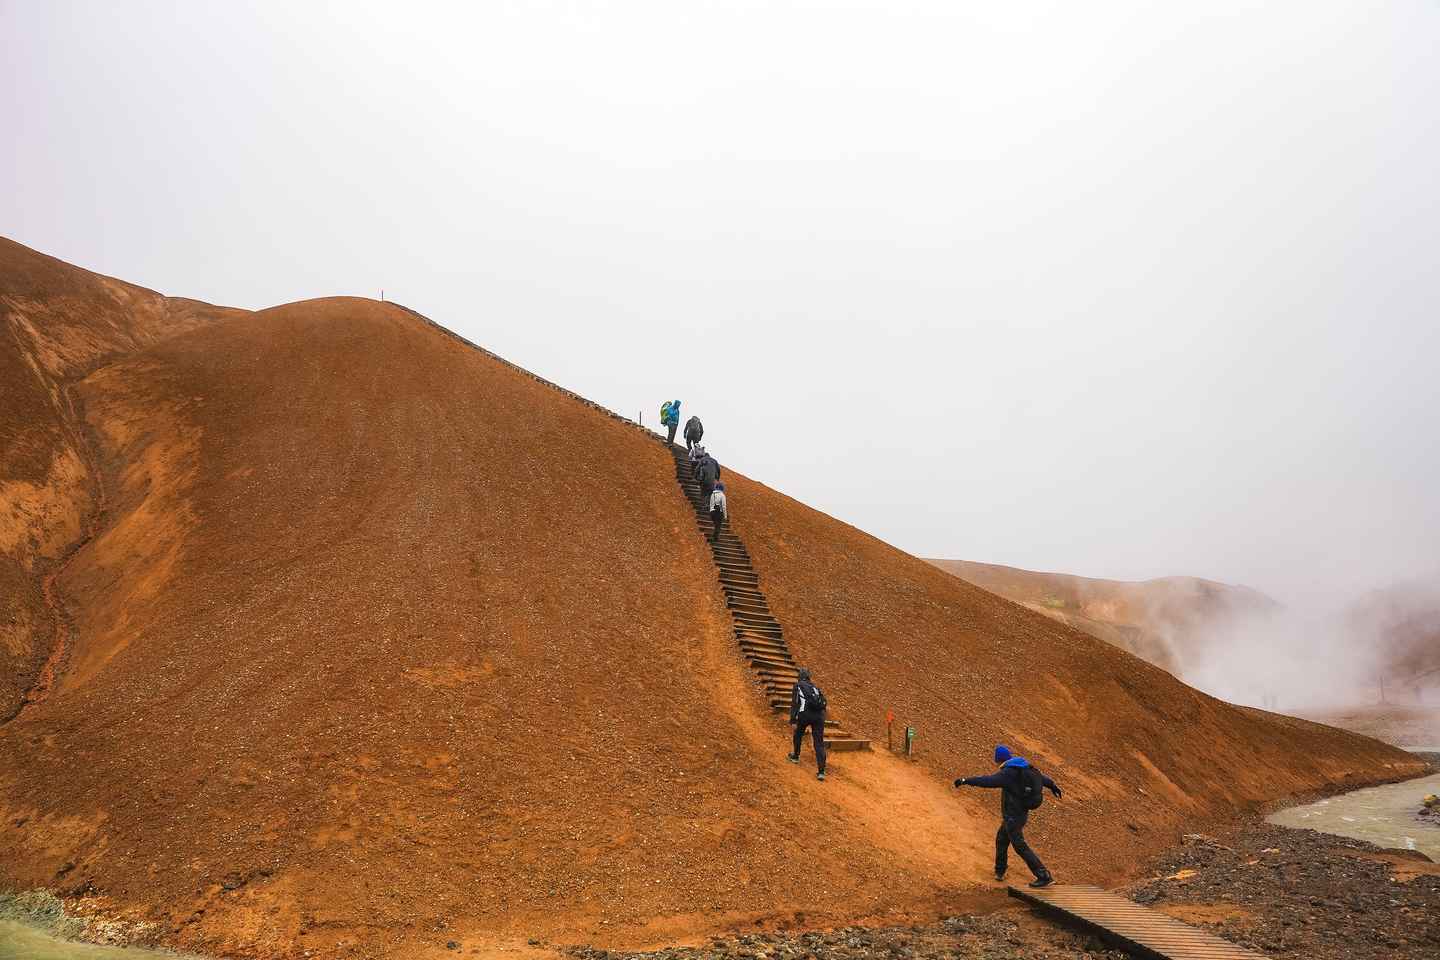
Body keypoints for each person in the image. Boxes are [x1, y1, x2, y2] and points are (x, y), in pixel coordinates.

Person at [954, 744, 1061, 887]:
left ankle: (1043, 875)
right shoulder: (1022, 767)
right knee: (1002, 839)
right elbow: (1041, 778)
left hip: (1013, 816)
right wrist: (1053, 785)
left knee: (1019, 845)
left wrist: (965, 780)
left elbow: (988, 781)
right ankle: (1000, 871)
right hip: (1019, 813)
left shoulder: (1008, 773)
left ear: (998, 760)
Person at [788, 668, 827, 780]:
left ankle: (795, 756)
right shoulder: (814, 687)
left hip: (804, 715)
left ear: (800, 676)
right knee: (819, 743)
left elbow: (795, 704)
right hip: (819, 717)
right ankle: (821, 771)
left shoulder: (798, 685)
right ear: (809, 677)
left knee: (798, 734)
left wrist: (793, 720)